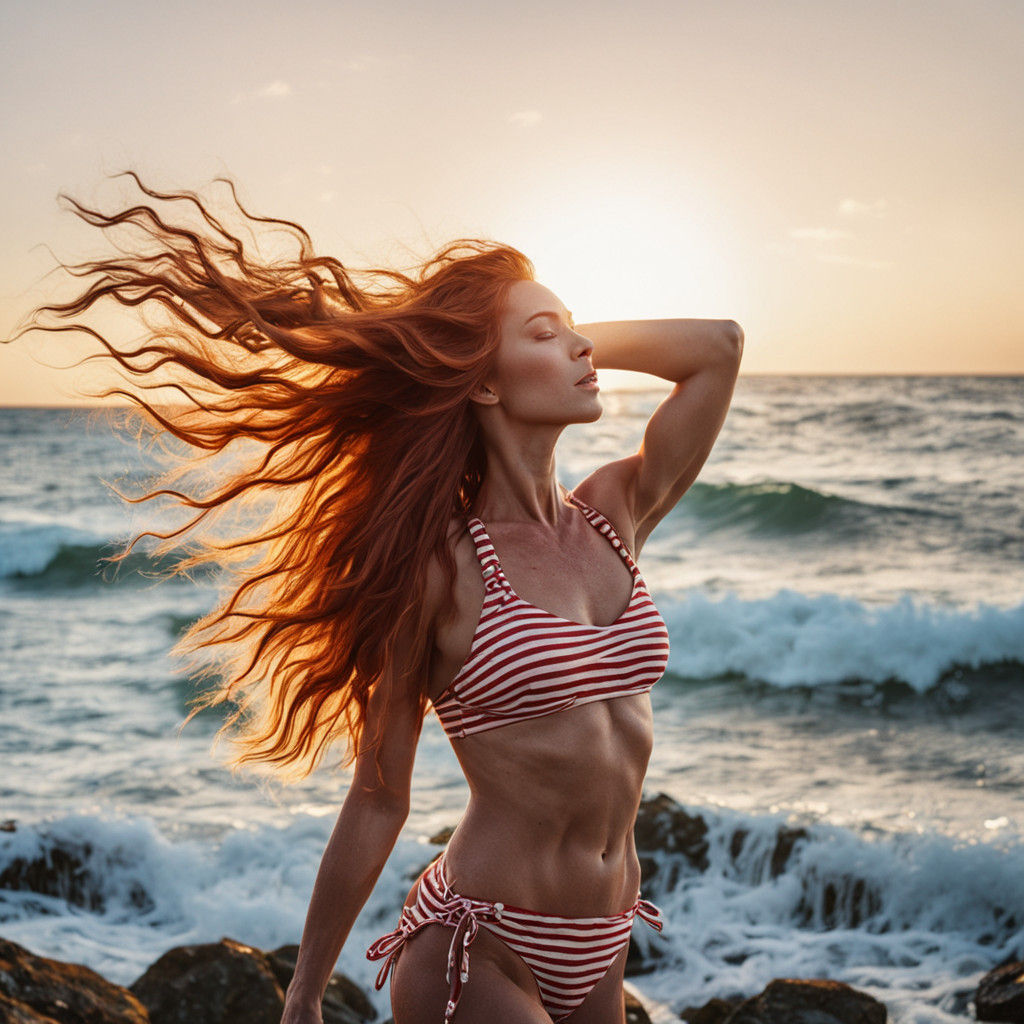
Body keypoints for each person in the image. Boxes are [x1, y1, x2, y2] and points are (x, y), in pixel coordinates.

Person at [7, 172, 743, 1023]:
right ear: (485, 384)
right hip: (481, 946)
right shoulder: (443, 570)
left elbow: (718, 347)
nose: (581, 351)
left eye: (577, 332)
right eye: (549, 337)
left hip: (602, 937)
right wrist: (306, 991)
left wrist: (558, 336)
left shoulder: (618, 511)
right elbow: (379, 794)